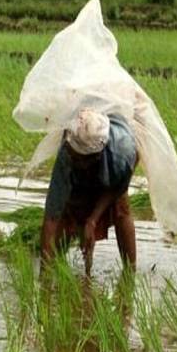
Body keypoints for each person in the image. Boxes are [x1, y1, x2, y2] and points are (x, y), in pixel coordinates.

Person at [42, 109, 138, 276]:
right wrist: (43, 276)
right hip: (87, 143)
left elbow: (118, 187)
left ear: (94, 157)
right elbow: (52, 215)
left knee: (121, 207)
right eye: (73, 154)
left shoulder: (123, 153)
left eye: (78, 158)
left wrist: (93, 220)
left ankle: (130, 272)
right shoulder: (67, 155)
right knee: (69, 209)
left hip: (113, 164)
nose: (73, 158)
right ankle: (52, 266)